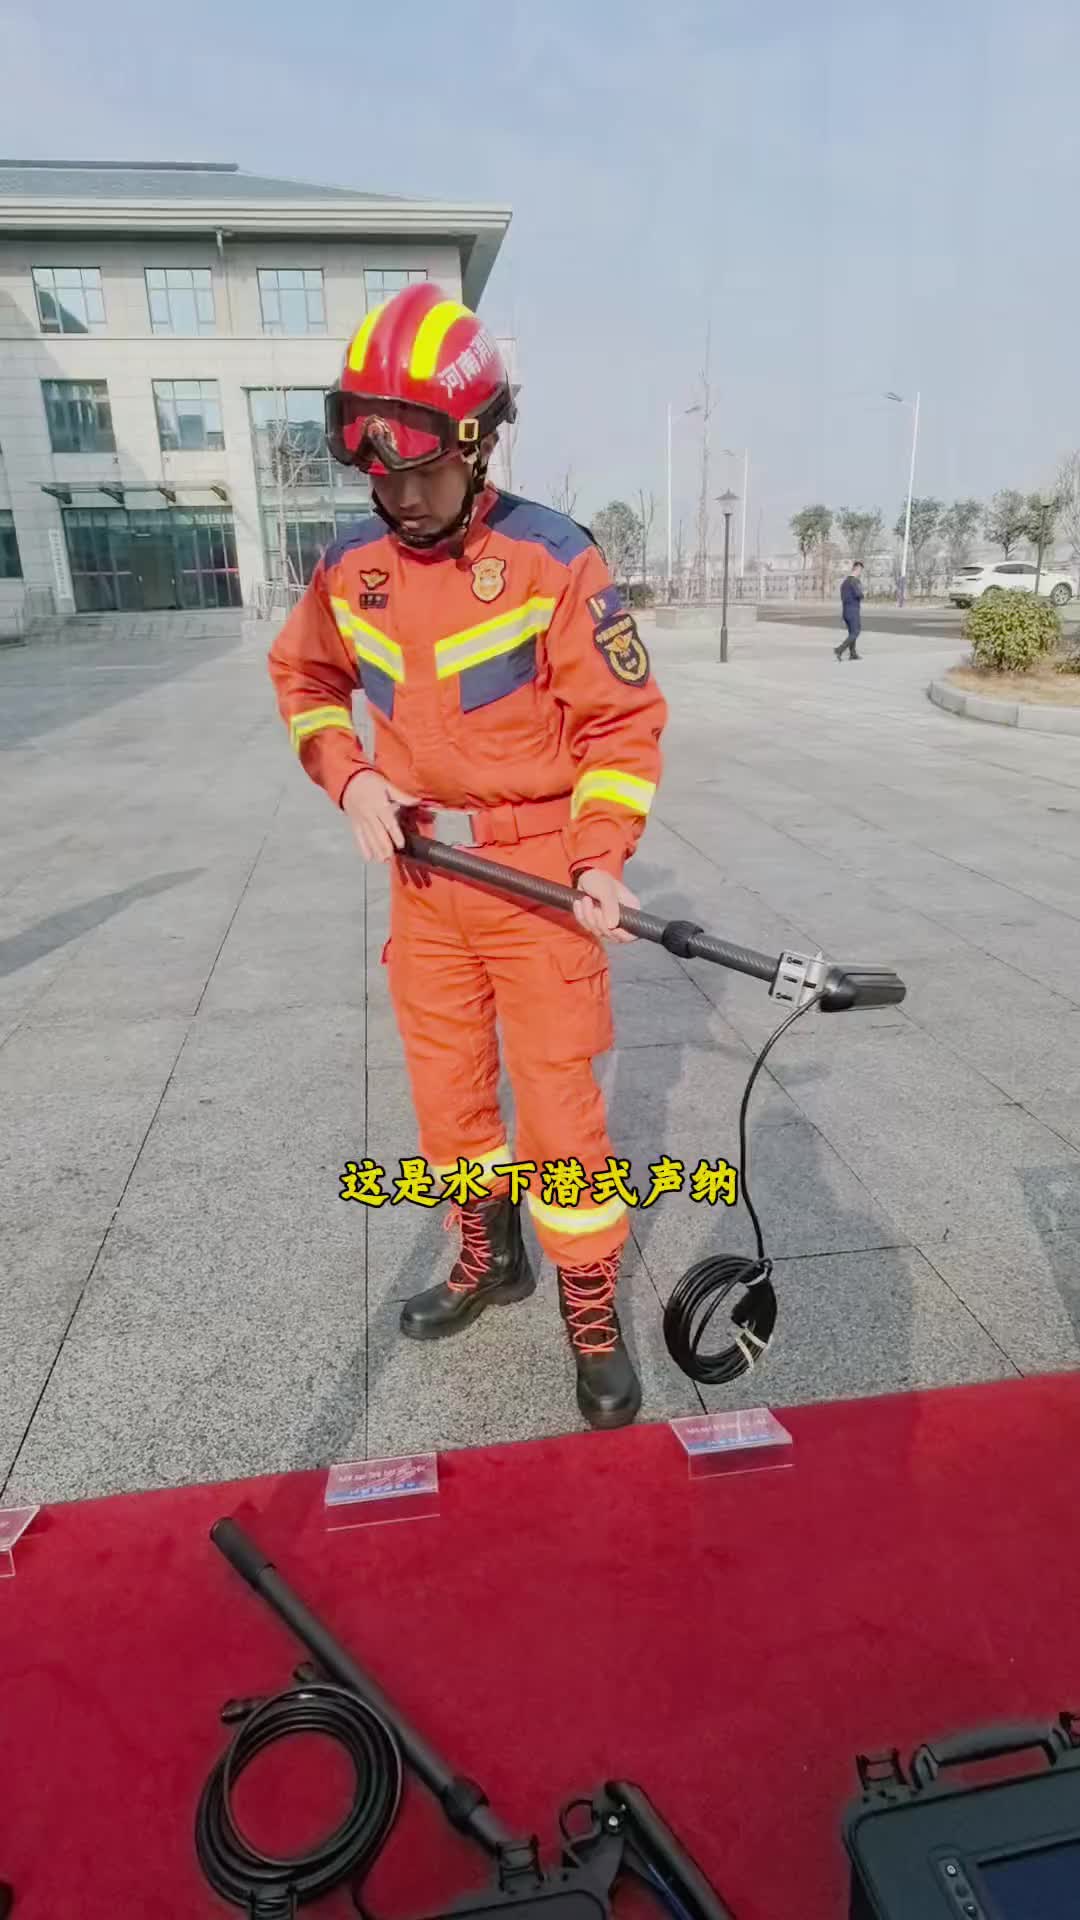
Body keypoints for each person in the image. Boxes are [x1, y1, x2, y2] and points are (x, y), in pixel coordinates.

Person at [267, 283, 667, 1431]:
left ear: (480, 444)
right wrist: (352, 776)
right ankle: (490, 1258)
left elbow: (621, 728)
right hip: (427, 877)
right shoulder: (351, 564)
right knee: (447, 1100)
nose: (399, 494)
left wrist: (599, 858)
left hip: (536, 883)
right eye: (378, 472)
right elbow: (305, 680)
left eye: (423, 470)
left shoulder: (552, 559)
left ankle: (589, 1310)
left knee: (560, 1118)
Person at [835, 560, 865, 659]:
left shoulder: (844, 582)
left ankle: (853, 653)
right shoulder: (855, 581)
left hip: (845, 611)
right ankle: (840, 649)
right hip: (853, 610)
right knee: (856, 632)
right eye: (860, 570)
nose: (860, 573)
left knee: (852, 632)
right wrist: (862, 594)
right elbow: (858, 594)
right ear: (857, 569)